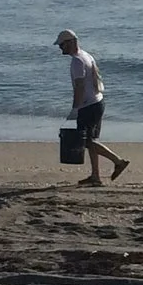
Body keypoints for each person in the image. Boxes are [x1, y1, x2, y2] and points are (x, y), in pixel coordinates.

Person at [57, 29, 130, 187]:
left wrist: (75, 108)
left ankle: (118, 161)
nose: (60, 48)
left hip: (88, 105)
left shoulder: (77, 61)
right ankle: (95, 176)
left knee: (87, 141)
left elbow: (80, 87)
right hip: (97, 102)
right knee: (92, 141)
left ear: (70, 43)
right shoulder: (86, 55)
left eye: (62, 45)